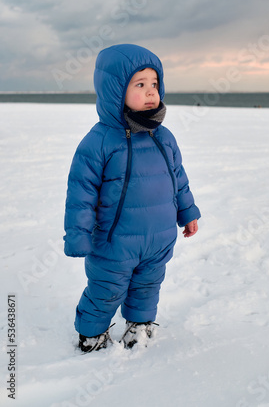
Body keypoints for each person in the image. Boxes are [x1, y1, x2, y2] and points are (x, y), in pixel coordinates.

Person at [63, 44, 201, 353]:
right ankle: (92, 332)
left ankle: (140, 326)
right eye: (140, 85)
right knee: (105, 289)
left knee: (148, 286)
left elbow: (178, 178)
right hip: (114, 243)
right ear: (115, 90)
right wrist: (78, 236)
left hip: (159, 238)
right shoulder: (99, 141)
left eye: (154, 84)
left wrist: (187, 211)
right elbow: (81, 193)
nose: (151, 92)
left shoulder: (164, 137)